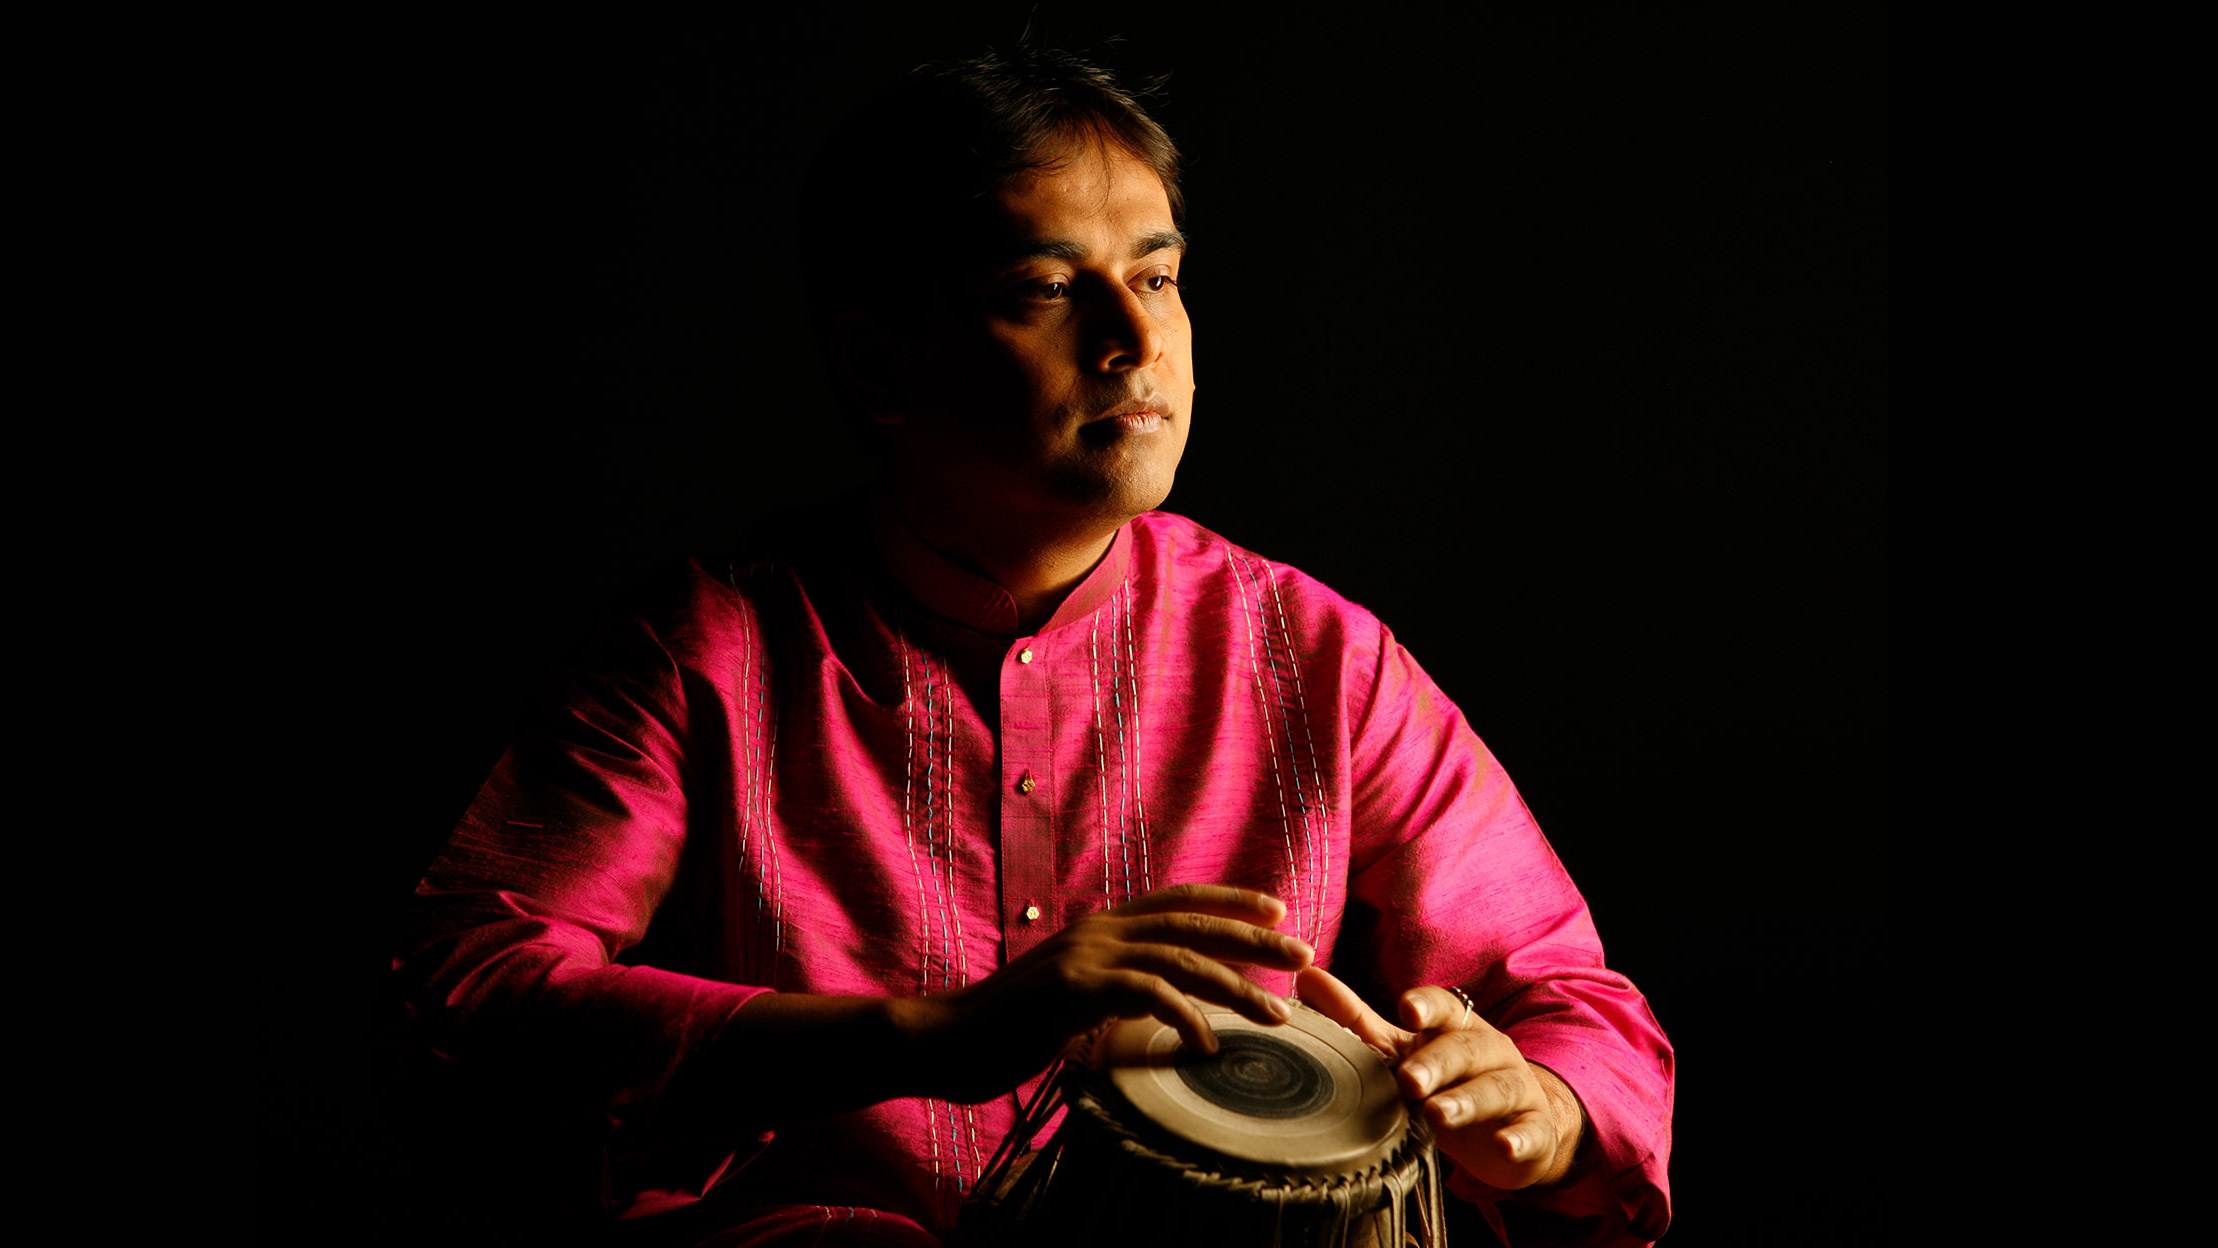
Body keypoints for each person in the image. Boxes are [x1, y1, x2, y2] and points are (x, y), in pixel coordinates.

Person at [397, 47, 1672, 1247]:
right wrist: (930, 1036)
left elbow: (1563, 998)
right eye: (1048, 290)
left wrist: (1545, 1111)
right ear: (879, 364)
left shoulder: (1315, 655)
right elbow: (474, 983)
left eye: (1159, 276)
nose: (1136, 339)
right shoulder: (706, 648)